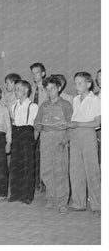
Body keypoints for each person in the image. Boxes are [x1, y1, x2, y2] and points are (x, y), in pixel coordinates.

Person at [34, 76, 72, 214]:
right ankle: (51, 198)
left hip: (59, 141)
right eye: (47, 89)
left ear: (59, 88)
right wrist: (41, 127)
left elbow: (71, 126)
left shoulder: (66, 105)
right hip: (45, 141)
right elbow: (36, 124)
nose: (50, 92)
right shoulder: (43, 105)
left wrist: (64, 142)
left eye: (53, 89)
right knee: (46, 171)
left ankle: (62, 202)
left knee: (60, 171)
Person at [67, 72, 101, 215]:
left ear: (88, 84)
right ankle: (79, 203)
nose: (77, 86)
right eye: (75, 83)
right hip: (75, 135)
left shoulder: (95, 100)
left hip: (88, 134)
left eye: (80, 83)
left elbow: (97, 122)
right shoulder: (75, 99)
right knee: (75, 170)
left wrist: (78, 124)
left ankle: (98, 205)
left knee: (92, 170)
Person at [8, 80, 38, 204]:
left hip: (27, 133)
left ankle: (27, 195)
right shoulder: (13, 105)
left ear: (26, 90)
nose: (16, 91)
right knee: (15, 164)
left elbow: (35, 127)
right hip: (16, 132)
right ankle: (15, 192)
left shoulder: (33, 106)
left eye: (19, 89)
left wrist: (33, 141)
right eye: (15, 89)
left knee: (27, 165)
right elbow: (12, 122)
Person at [30, 62, 47, 192]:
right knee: (34, 156)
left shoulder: (47, 88)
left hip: (44, 127)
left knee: (44, 156)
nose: (34, 75)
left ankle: (44, 183)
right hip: (33, 126)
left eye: (37, 72)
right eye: (33, 73)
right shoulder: (32, 89)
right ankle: (36, 183)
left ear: (43, 74)